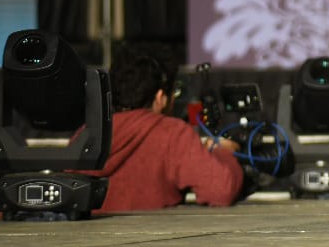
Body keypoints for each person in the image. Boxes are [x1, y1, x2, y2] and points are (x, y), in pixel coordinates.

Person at [90, 50, 244, 213]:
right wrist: (223, 152)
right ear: (160, 98)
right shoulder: (171, 133)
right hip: (153, 236)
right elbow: (221, 189)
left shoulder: (86, 134)